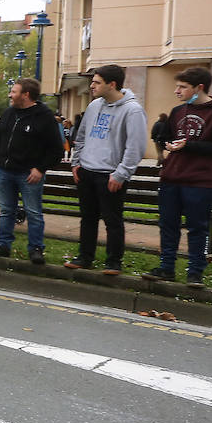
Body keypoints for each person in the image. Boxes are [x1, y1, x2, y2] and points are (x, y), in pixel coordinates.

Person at [65, 64, 147, 274]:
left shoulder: (132, 110)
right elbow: (81, 136)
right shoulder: (94, 106)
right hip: (87, 171)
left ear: (112, 84)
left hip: (111, 175)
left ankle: (113, 261)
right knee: (88, 217)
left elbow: (135, 146)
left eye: (96, 82)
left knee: (113, 220)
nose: (92, 86)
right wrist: (77, 163)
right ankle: (85, 257)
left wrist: (121, 173)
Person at [144, 67, 212, 286]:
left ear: (199, 88)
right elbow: (166, 135)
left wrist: (189, 145)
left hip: (200, 181)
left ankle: (195, 272)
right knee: (168, 225)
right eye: (176, 86)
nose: (177, 90)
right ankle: (166, 267)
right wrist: (167, 143)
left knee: (197, 227)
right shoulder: (177, 111)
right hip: (171, 177)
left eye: (182, 87)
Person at [0, 78, 63, 265]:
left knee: (33, 212)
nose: (10, 95)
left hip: (29, 174)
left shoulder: (44, 116)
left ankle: (36, 248)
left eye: (14, 92)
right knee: (6, 210)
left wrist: (40, 168)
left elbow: (56, 150)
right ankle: (3, 245)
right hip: (5, 171)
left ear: (26, 95)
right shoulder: (9, 113)